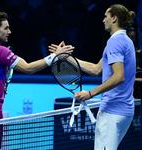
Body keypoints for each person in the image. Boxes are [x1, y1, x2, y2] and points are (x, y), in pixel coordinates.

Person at [0, 11, 74, 149]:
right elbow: (29, 68)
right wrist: (54, 57)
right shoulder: (2, 52)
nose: (9, 31)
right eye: (6, 28)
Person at [49, 4, 135, 150]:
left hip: (112, 111)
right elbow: (96, 70)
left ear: (114, 18)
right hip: (126, 111)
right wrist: (67, 58)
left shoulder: (114, 42)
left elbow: (119, 76)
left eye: (105, 17)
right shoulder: (126, 40)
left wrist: (90, 93)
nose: (103, 20)